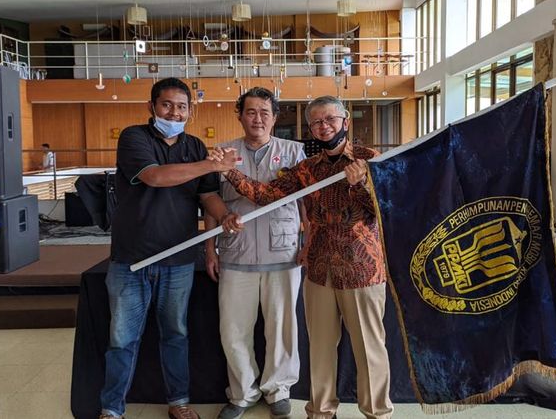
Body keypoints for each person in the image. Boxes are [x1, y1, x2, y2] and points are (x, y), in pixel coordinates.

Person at [211, 96, 393, 419]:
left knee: (369, 348)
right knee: (320, 348)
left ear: (345, 121)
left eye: (330, 120)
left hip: (361, 269)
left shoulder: (371, 160)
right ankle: (320, 412)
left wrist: (364, 184)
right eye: (317, 123)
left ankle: (377, 413)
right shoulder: (307, 169)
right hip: (319, 270)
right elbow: (268, 195)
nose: (324, 127)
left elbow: (389, 210)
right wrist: (231, 173)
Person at [99, 78, 242, 419]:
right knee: (122, 339)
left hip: (178, 260)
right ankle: (112, 409)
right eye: (167, 105)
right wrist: (213, 164)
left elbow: (207, 195)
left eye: (181, 107)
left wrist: (225, 215)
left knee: (176, 334)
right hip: (131, 260)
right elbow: (155, 176)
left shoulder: (195, 146)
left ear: (190, 111)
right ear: (152, 107)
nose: (174, 113)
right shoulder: (134, 137)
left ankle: (179, 402)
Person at [204, 87, 307, 419]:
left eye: (265, 112)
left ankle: (278, 389)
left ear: (274, 118)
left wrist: (307, 241)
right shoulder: (223, 154)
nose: (258, 118)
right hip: (237, 253)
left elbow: (306, 203)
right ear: (240, 116)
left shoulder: (293, 151)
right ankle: (242, 392)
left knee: (282, 326)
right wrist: (210, 249)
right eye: (251, 112)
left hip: (284, 253)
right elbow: (210, 203)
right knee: (233, 329)